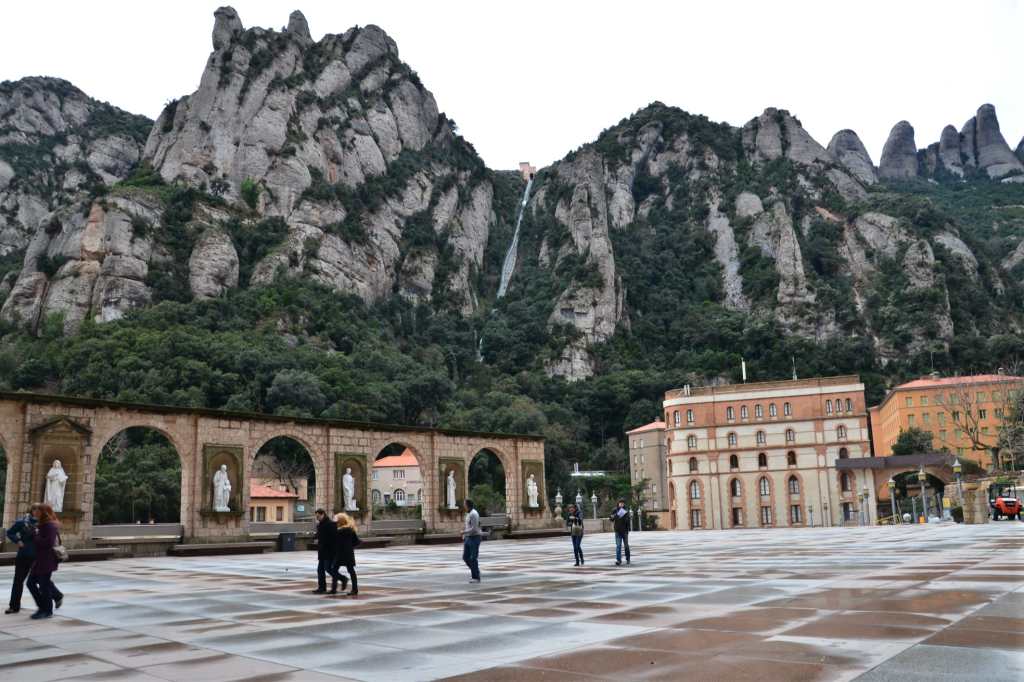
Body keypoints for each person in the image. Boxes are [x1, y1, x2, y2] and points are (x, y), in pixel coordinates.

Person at [26, 503, 63, 619]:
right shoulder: (40, 525)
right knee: (31, 583)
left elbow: (48, 543)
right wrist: (32, 531)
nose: (34, 513)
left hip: (47, 560)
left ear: (44, 512)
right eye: (34, 511)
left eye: (37, 511)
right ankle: (48, 602)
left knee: (44, 585)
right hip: (39, 560)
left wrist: (35, 535)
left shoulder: (50, 526)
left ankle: (46, 610)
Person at [5, 506, 38, 614]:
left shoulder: (44, 523)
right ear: (31, 511)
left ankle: (55, 597)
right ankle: (14, 606)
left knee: (42, 580)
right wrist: (17, 540)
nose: (37, 512)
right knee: (18, 581)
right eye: (35, 509)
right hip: (23, 556)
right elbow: (10, 532)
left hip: (38, 557)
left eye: (40, 510)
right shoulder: (22, 522)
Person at [332, 513, 361, 596]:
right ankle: (355, 589)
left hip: (340, 553)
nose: (335, 521)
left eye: (336, 520)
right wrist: (350, 547)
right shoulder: (351, 530)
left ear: (340, 521)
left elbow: (334, 542)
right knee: (351, 571)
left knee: (334, 570)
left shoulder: (338, 531)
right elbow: (356, 541)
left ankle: (334, 589)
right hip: (348, 553)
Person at [312, 509, 337, 594]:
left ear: (323, 514)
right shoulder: (320, 524)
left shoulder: (330, 524)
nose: (317, 518)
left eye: (318, 516)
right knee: (320, 570)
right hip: (322, 551)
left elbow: (332, 538)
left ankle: (341, 578)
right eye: (316, 516)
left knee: (328, 569)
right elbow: (319, 535)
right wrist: (315, 537)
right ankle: (322, 588)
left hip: (329, 551)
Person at [462, 499, 482, 583]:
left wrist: (463, 532)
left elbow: (474, 529)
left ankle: (476, 577)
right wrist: (464, 535)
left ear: (468, 505)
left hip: (474, 537)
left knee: (473, 558)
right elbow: (468, 526)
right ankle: (476, 571)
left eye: (464, 505)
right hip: (468, 538)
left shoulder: (474, 514)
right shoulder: (468, 514)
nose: (464, 506)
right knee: (465, 557)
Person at [609, 499, 631, 566]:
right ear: (618, 503)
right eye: (620, 503)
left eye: (622, 503)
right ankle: (618, 560)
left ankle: (628, 559)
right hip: (617, 531)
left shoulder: (626, 511)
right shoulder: (615, 510)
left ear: (624, 504)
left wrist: (625, 517)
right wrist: (614, 516)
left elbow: (628, 521)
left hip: (624, 531)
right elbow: (611, 519)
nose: (621, 504)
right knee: (618, 546)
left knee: (626, 546)